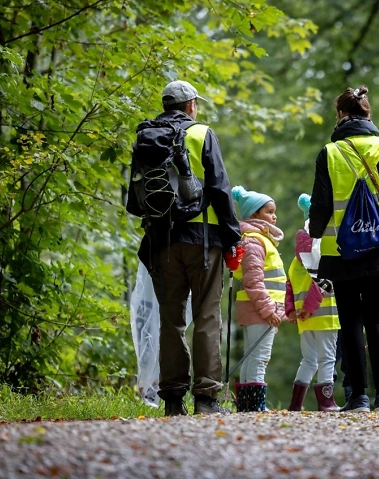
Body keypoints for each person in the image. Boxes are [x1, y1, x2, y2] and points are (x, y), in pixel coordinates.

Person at [127, 80, 242, 416]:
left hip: (162, 241)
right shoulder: (202, 133)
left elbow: (134, 202)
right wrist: (233, 236)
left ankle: (173, 400)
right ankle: (206, 399)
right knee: (207, 316)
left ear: (166, 105)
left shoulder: (145, 137)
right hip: (203, 240)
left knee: (171, 319)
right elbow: (219, 188)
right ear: (191, 105)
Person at [309, 85, 379, 413]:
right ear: (368, 114)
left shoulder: (330, 153)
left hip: (340, 250)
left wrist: (315, 232)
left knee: (350, 321)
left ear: (341, 114)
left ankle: (358, 398)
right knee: (378, 318)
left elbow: (321, 205)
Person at [231, 185, 287, 412]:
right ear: (254, 214)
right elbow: (253, 281)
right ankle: (254, 405)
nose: (274, 216)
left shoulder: (257, 239)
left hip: (257, 308)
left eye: (274, 212)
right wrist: (269, 310)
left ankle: (246, 405)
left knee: (251, 354)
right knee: (259, 357)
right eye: (269, 212)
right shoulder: (254, 241)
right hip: (260, 309)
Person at [285, 194, 342, 412]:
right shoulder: (321, 251)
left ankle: (295, 403)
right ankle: (326, 402)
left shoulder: (296, 259)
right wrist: (310, 309)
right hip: (324, 315)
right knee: (327, 358)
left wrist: (291, 310)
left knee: (308, 360)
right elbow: (322, 283)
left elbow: (289, 285)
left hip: (303, 319)